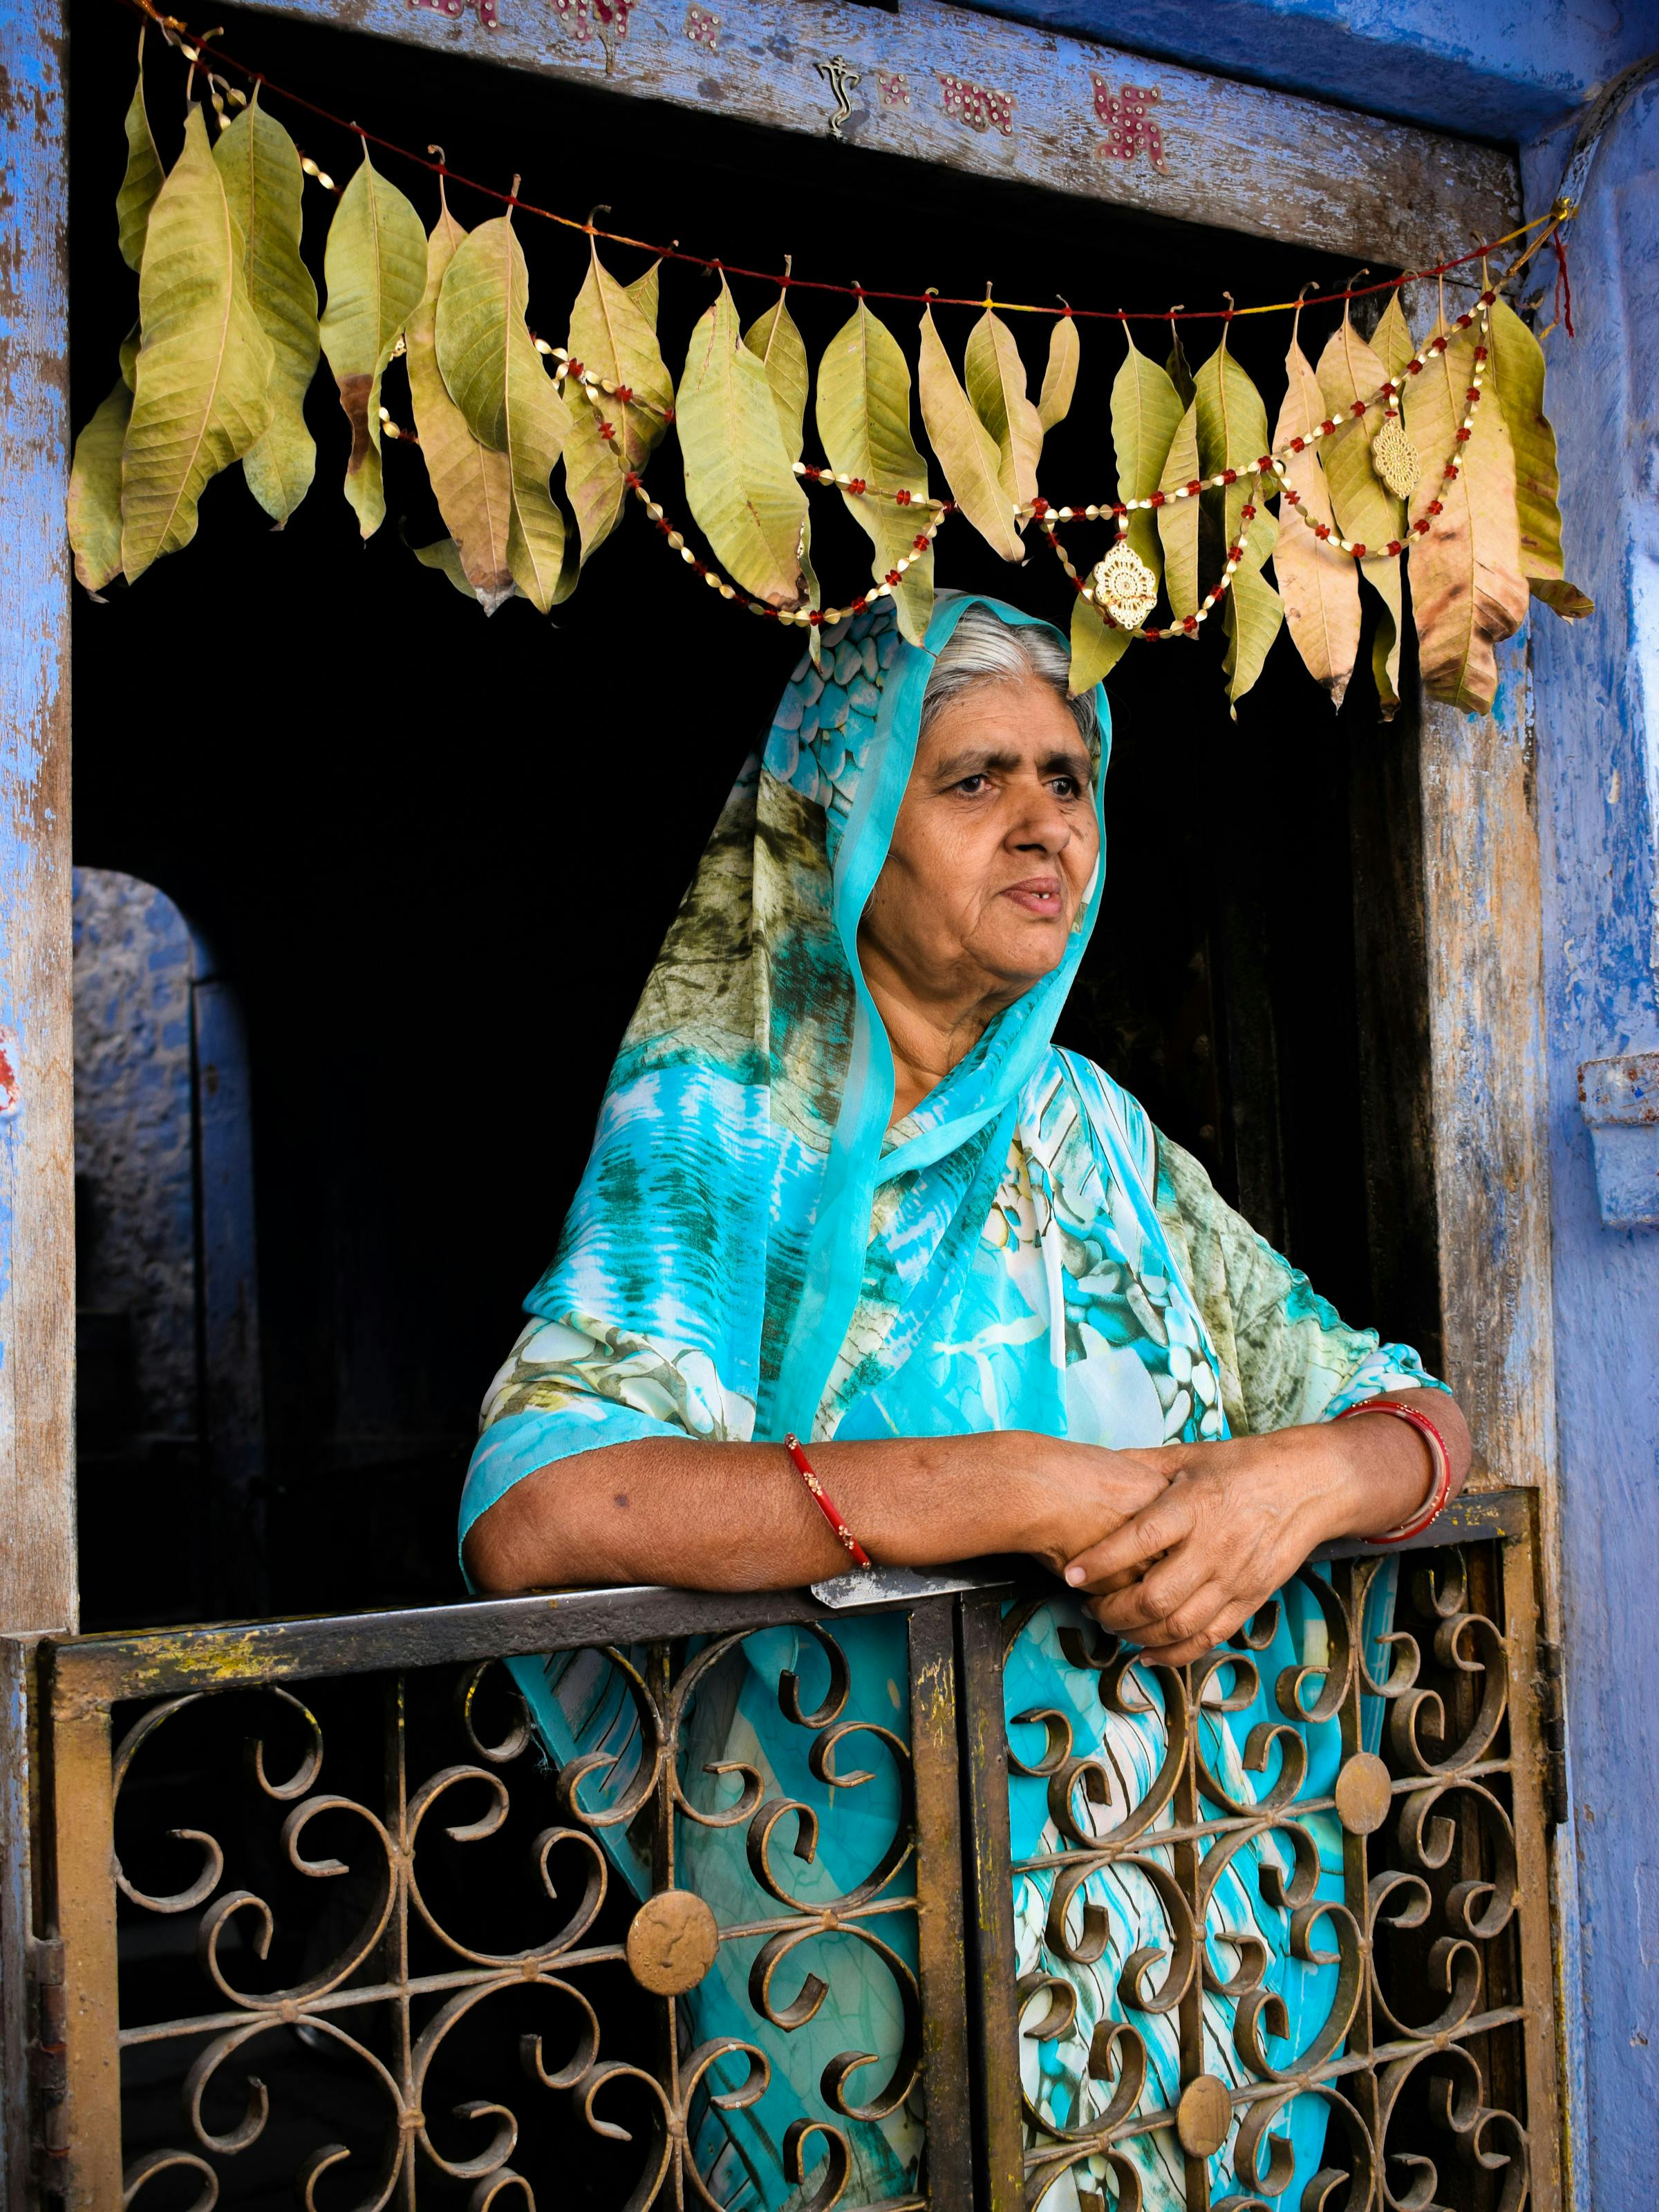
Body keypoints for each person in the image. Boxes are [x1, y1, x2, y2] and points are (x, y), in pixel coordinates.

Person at [460, 593, 1467, 2210]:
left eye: (1069, 780)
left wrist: (1298, 1486)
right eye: (976, 780)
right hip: (872, 1974)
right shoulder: (731, 1129)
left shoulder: (1091, 1132)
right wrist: (1005, 1486)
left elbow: (1406, 1416)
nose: (1042, 824)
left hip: (1194, 1956)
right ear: (848, 822)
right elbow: (545, 1509)